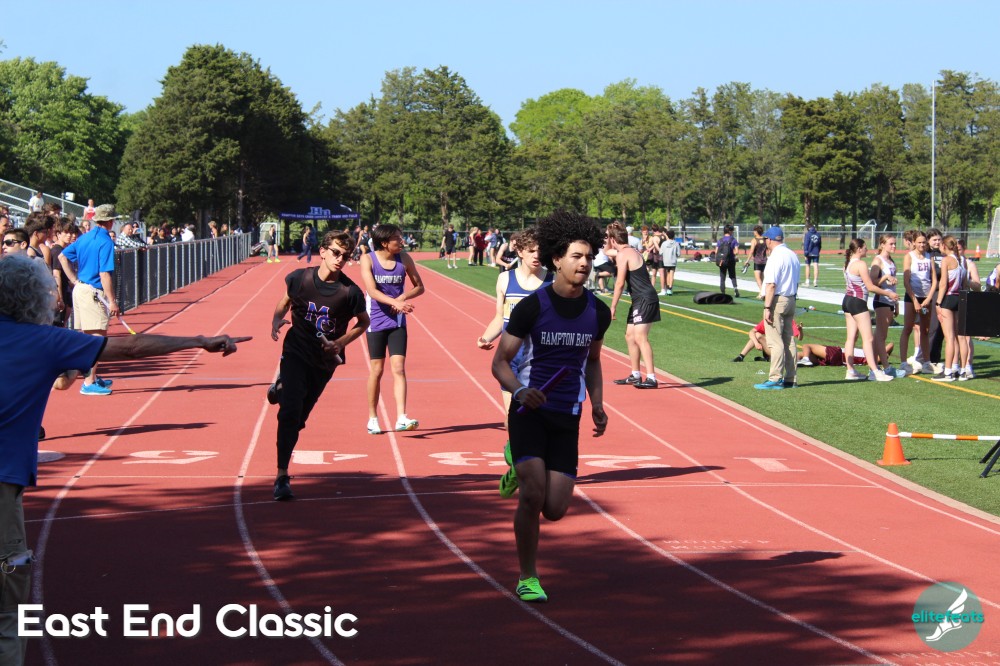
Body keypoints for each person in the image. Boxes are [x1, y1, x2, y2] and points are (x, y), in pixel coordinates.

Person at [0, 254, 249, 666]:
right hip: (3, 482)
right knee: (8, 612)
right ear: (35, 298)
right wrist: (198, 340)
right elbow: (131, 347)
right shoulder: (45, 341)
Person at [490, 210, 609, 603]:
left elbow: (593, 361)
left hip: (567, 415)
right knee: (532, 495)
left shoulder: (598, 311)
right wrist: (520, 392)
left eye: (589, 257)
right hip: (529, 413)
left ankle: (517, 468)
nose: (585, 263)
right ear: (557, 259)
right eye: (577, 256)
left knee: (555, 508)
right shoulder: (532, 307)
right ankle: (528, 576)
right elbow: (500, 362)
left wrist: (597, 404)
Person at [267, 231, 369, 500]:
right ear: (322, 251)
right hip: (296, 352)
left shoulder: (350, 292)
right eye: (335, 252)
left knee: (299, 419)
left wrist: (340, 342)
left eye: (345, 255)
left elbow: (364, 322)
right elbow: (285, 301)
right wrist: (276, 319)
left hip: (323, 363)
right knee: (289, 413)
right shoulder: (300, 279)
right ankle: (281, 476)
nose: (340, 259)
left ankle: (282, 389)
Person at [477, 229, 552, 423]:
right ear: (520, 251)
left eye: (540, 251)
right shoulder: (505, 279)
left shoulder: (552, 281)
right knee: (512, 418)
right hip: (510, 359)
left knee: (539, 418)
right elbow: (500, 317)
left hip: (540, 361)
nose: (537, 256)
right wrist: (485, 338)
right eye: (531, 251)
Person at [360, 224, 425, 434]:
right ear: (384, 242)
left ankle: (401, 417)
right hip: (376, 320)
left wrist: (403, 297)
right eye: (397, 238)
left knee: (398, 368)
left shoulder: (404, 259)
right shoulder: (368, 259)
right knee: (377, 370)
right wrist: (394, 302)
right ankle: (372, 418)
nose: (402, 241)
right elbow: (371, 291)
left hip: (397, 322)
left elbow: (420, 286)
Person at [57, 204, 120, 396]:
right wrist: (112, 300)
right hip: (93, 291)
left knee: (87, 336)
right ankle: (88, 381)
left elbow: (62, 256)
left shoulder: (84, 237)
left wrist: (74, 280)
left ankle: (92, 376)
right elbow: (104, 274)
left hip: (81, 289)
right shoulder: (106, 241)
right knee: (97, 338)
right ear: (110, 221)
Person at [607, 221, 660, 389]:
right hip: (639, 299)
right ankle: (635, 374)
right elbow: (606, 251)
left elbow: (619, 283)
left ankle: (651, 377)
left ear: (613, 240)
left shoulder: (624, 254)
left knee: (640, 337)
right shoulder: (627, 251)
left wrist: (613, 306)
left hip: (645, 298)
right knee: (630, 336)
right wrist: (610, 233)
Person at [841, 238, 897, 382]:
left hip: (847, 300)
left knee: (851, 338)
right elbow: (870, 287)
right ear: (859, 249)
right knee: (868, 338)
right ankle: (875, 371)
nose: (867, 249)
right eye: (865, 247)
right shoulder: (860, 264)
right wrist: (888, 293)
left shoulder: (848, 263)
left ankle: (850, 371)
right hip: (857, 302)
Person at [754, 227, 801, 390]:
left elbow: (771, 284)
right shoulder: (792, 255)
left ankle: (775, 378)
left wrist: (767, 307)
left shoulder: (776, 257)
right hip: (791, 298)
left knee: (775, 341)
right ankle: (791, 378)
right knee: (789, 340)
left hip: (778, 299)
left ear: (770, 240)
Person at [898, 231, 936, 375]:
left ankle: (926, 363)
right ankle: (903, 363)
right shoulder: (909, 257)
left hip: (926, 298)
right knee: (908, 328)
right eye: (919, 242)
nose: (922, 245)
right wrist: (914, 300)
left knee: (925, 331)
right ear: (914, 242)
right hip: (912, 297)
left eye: (924, 242)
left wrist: (928, 298)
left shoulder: (929, 257)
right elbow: (906, 281)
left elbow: (934, 280)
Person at [932, 236, 966, 382]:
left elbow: (943, 284)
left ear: (945, 246)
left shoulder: (946, 260)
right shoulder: (960, 260)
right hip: (959, 299)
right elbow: (964, 283)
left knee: (949, 338)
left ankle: (947, 372)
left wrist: (938, 303)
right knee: (958, 337)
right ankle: (957, 368)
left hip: (948, 299)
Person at [869, 234, 900, 376]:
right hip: (881, 300)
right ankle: (886, 367)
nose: (894, 246)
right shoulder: (878, 260)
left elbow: (893, 285)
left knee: (880, 336)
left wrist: (896, 303)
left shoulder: (891, 261)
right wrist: (886, 277)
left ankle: (873, 367)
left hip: (890, 300)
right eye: (891, 244)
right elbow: (872, 282)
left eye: (894, 243)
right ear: (882, 245)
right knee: (881, 337)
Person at [733, 319, 802, 362]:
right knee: (756, 335)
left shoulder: (789, 320)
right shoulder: (768, 320)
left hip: (782, 350)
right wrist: (756, 343)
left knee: (799, 355)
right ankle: (741, 356)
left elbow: (799, 338)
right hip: (772, 348)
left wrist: (800, 330)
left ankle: (769, 358)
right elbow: (751, 332)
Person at [797, 342, 895, 367]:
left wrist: (883, 354)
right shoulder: (868, 358)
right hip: (836, 361)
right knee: (806, 354)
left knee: (807, 346)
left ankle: (805, 359)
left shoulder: (871, 357)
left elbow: (891, 344)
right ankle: (795, 361)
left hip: (838, 353)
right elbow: (890, 346)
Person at [715, 224, 740, 298]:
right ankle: (735, 289)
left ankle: (723, 292)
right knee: (732, 275)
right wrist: (732, 253)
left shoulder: (720, 240)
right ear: (730, 231)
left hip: (722, 261)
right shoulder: (733, 240)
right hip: (731, 260)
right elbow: (737, 252)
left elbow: (716, 251)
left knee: (722, 277)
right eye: (732, 230)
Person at [742, 225, 767, 298]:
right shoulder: (765, 239)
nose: (753, 232)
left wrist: (747, 260)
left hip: (757, 261)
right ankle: (762, 292)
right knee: (762, 278)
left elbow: (751, 251)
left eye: (754, 231)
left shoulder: (754, 240)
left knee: (758, 278)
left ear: (756, 232)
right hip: (765, 260)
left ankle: (762, 292)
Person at [659, 228, 680, 296]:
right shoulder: (676, 243)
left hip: (666, 261)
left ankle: (668, 287)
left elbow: (660, 252)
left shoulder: (664, 243)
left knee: (667, 274)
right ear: (674, 236)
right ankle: (670, 288)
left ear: (667, 235)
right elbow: (678, 254)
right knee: (672, 274)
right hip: (673, 261)